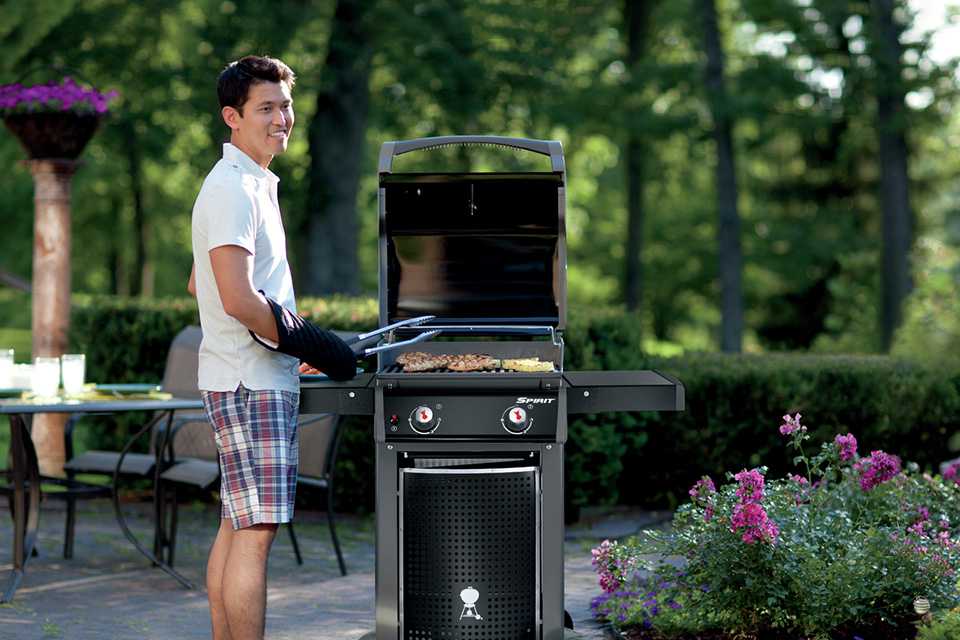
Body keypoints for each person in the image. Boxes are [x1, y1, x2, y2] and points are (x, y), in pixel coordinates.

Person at [188, 55, 353, 640]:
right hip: (249, 380)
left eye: (285, 105)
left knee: (237, 527)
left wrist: (288, 340)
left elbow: (198, 284)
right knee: (255, 535)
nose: (282, 117)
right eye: (266, 108)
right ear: (232, 116)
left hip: (244, 371)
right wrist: (303, 338)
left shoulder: (249, 183)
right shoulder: (233, 188)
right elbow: (236, 298)